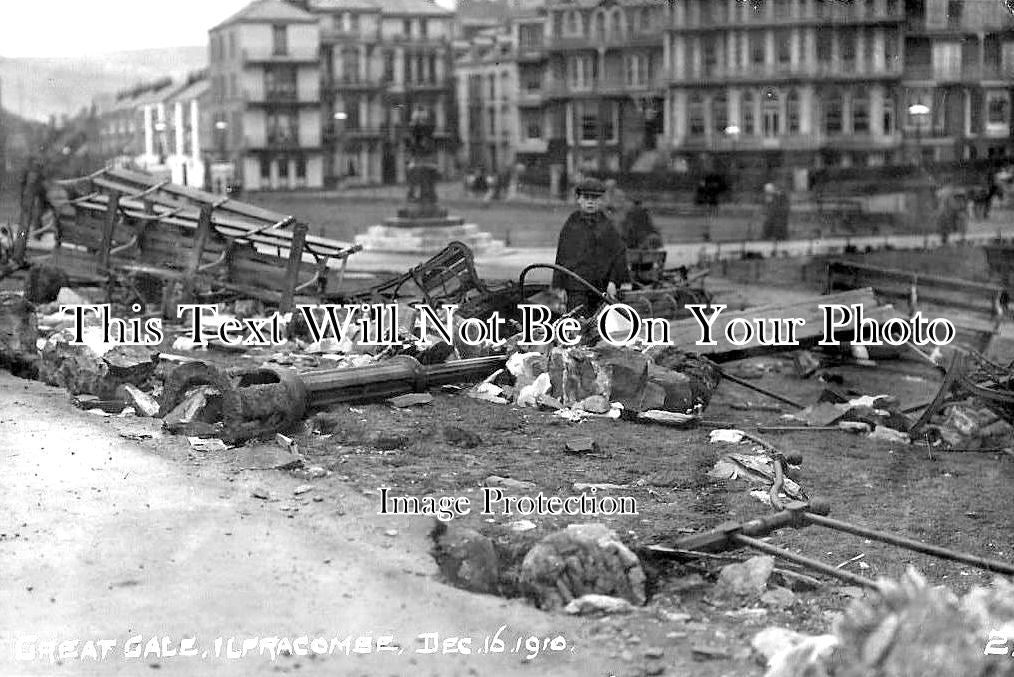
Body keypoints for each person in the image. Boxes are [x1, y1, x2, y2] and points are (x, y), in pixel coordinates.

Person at [552, 178, 631, 314]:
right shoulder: (571, 224)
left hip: (600, 289)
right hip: (576, 288)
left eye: (595, 198)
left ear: (600, 200)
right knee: (577, 323)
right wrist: (559, 287)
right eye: (586, 197)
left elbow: (618, 255)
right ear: (578, 199)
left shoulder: (608, 226)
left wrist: (613, 281)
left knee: (599, 325)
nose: (590, 201)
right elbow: (562, 256)